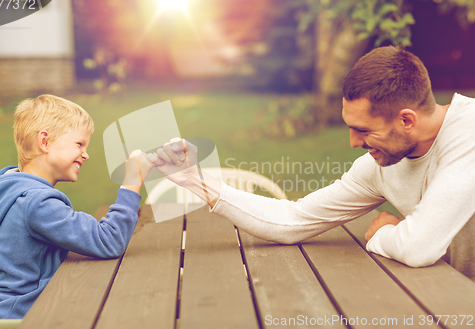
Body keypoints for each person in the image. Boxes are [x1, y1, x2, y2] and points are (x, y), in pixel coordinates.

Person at [149, 46, 475, 281]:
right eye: (349, 127)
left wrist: (384, 233)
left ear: (406, 120)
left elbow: (418, 248)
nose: (353, 143)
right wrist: (195, 181)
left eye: (364, 130)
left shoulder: (469, 133)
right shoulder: (379, 166)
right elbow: (292, 219)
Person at [0, 94, 154, 319]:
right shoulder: (37, 202)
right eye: (79, 144)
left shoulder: (10, 187)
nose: (86, 155)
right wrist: (132, 181)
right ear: (45, 142)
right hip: (17, 317)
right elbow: (108, 241)